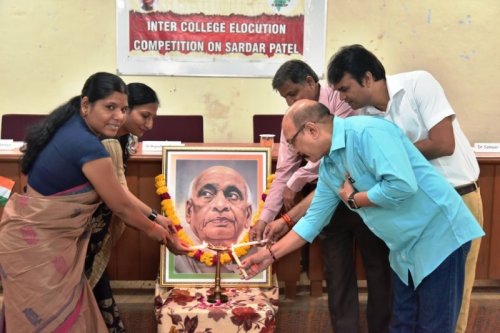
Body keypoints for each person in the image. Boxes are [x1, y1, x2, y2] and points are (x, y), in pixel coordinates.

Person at [242, 99, 485, 333]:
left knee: (433, 326)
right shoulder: (330, 165)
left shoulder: (367, 132)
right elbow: (312, 221)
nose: (294, 151)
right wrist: (269, 255)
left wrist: (355, 199)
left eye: (293, 142)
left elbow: (402, 185)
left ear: (312, 130)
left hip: (438, 237)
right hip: (404, 248)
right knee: (402, 325)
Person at [0, 72, 178, 332]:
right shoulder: (89, 146)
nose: (118, 116)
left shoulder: (70, 126)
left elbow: (119, 195)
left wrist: (154, 218)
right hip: (39, 253)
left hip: (35, 246)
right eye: (110, 107)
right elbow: (121, 205)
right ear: (86, 105)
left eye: (123, 109)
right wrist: (160, 233)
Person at [327, 44, 484, 333]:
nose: (342, 97)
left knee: (450, 305)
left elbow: (443, 143)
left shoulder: (418, 84)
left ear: (368, 77)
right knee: (411, 307)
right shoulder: (364, 119)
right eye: (337, 91)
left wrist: (392, 157)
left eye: (345, 88)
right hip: (414, 213)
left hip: (457, 199)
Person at [252, 59, 392, 333]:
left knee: (379, 271)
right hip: (328, 197)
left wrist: (297, 179)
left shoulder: (341, 101)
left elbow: (334, 148)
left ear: (310, 81)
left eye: (293, 93)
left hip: (367, 195)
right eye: (285, 98)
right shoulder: (293, 120)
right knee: (337, 274)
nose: (290, 102)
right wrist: (266, 217)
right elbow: (285, 172)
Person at [84, 82, 189, 332]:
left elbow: (122, 192)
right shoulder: (108, 142)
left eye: (153, 117)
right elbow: (120, 198)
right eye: (145, 116)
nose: (149, 125)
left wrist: (154, 217)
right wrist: (155, 226)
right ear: (125, 109)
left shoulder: (121, 139)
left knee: (94, 293)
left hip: (95, 228)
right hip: (83, 231)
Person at [174, 165, 254, 273]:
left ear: (248, 215)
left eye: (233, 196)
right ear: (189, 211)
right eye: (206, 194)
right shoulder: (177, 255)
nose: (220, 205)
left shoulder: (258, 255)